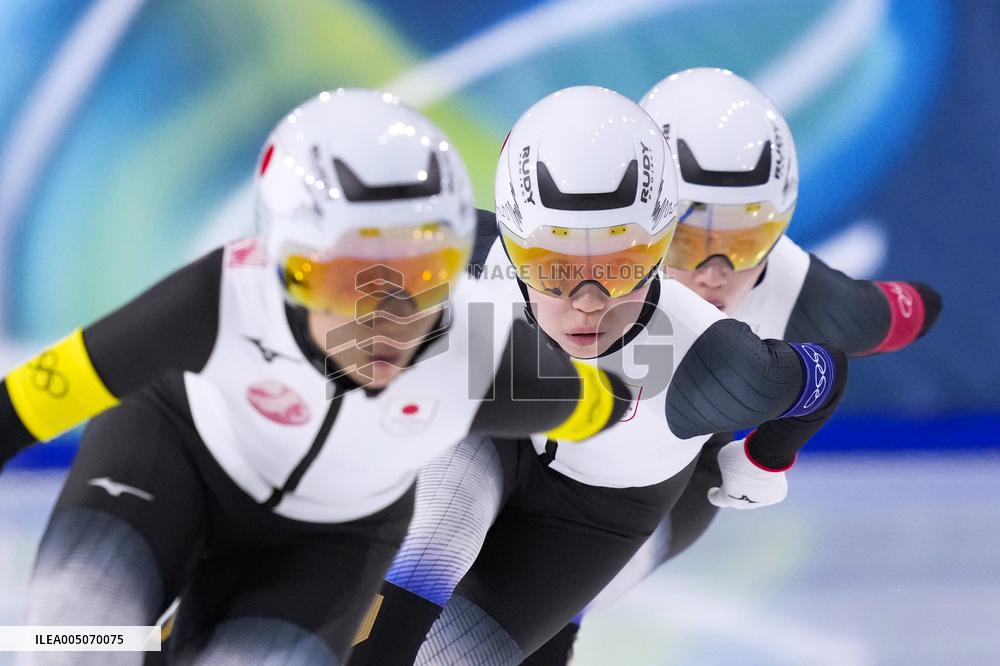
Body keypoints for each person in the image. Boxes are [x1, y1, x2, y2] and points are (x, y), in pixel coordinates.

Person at [0, 89, 631, 665]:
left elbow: (601, 405)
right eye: (342, 277)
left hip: (325, 546)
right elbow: (26, 403)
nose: (386, 315)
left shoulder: (486, 347)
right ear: (282, 266)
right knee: (72, 642)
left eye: (423, 273)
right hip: (164, 470)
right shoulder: (220, 297)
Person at [347, 85, 849, 666]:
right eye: (553, 267)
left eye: (622, 267)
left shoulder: (711, 365)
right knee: (426, 542)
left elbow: (825, 373)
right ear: (509, 243)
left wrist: (768, 457)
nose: (588, 302)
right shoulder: (458, 258)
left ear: (664, 247)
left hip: (584, 518)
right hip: (488, 436)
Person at [524, 67, 944, 665]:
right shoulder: (548, 263)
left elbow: (914, 311)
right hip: (551, 444)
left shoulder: (811, 296)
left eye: (746, 241)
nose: (714, 272)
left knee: (549, 607)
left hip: (675, 480)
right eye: (686, 243)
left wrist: (763, 457)